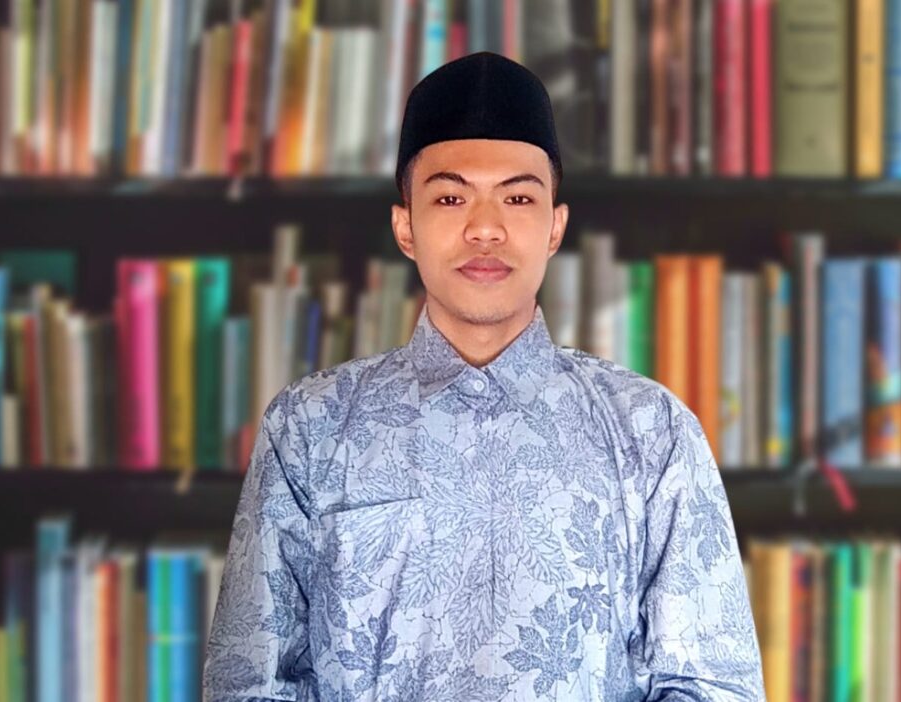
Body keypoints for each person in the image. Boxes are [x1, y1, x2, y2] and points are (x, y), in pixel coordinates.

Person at [203, 51, 764, 701]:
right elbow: (248, 680)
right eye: (450, 196)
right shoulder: (311, 426)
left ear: (555, 226)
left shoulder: (651, 431)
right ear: (405, 226)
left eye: (518, 197)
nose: (486, 228)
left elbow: (712, 684)